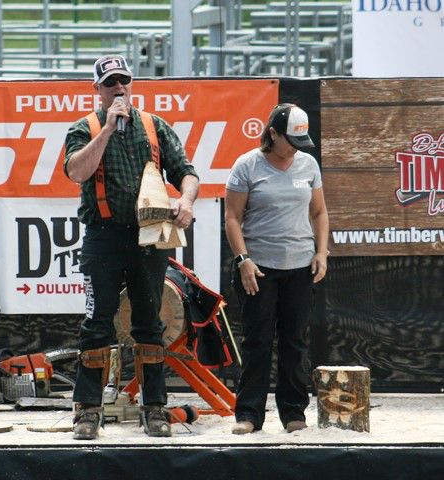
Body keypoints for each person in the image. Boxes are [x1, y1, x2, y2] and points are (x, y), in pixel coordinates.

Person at [64, 54, 199, 440]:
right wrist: (106, 130)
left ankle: (154, 408)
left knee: (149, 324)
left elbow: (187, 172)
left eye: (123, 80)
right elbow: (76, 171)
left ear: (132, 84)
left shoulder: (154, 127)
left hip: (150, 236)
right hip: (103, 236)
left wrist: (186, 201)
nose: (118, 88)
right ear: (98, 90)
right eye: (110, 83)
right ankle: (87, 412)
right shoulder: (84, 128)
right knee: (97, 324)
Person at [224, 103, 329, 435]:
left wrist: (321, 252)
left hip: (300, 266)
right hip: (259, 268)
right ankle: (250, 414)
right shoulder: (247, 166)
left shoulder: (308, 165)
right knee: (257, 340)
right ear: (272, 134)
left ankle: (293, 411)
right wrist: (243, 261)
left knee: (295, 340)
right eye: (291, 141)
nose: (296, 150)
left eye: (301, 142)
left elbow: (319, 213)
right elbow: (232, 218)